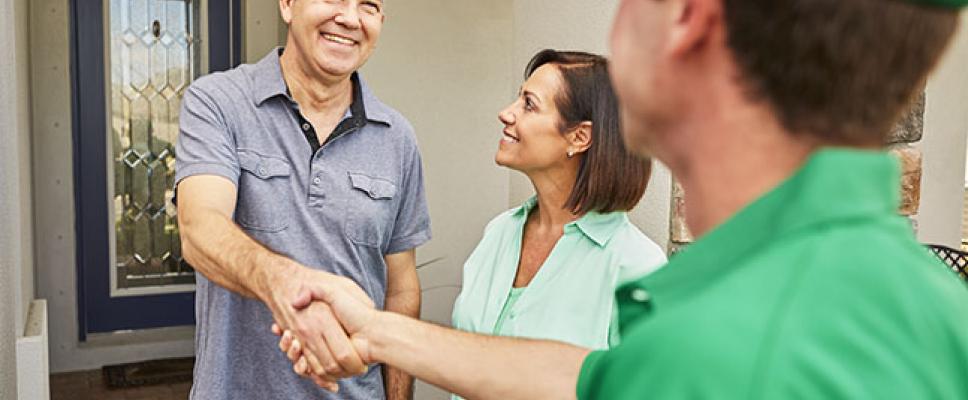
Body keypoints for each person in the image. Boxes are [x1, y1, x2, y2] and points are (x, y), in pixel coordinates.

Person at [275, 0, 968, 398]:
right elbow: (587, 378)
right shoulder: (936, 308)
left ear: (688, 24)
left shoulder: (716, 347)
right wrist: (374, 328)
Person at [174, 0, 429, 398]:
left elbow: (401, 288)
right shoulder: (218, 102)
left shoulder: (398, 138)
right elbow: (199, 228)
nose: (349, 18)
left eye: (368, 6)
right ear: (288, 5)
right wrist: (291, 286)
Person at [451, 49, 665, 361]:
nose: (506, 113)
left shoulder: (636, 267)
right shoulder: (499, 232)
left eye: (528, 104)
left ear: (579, 137)